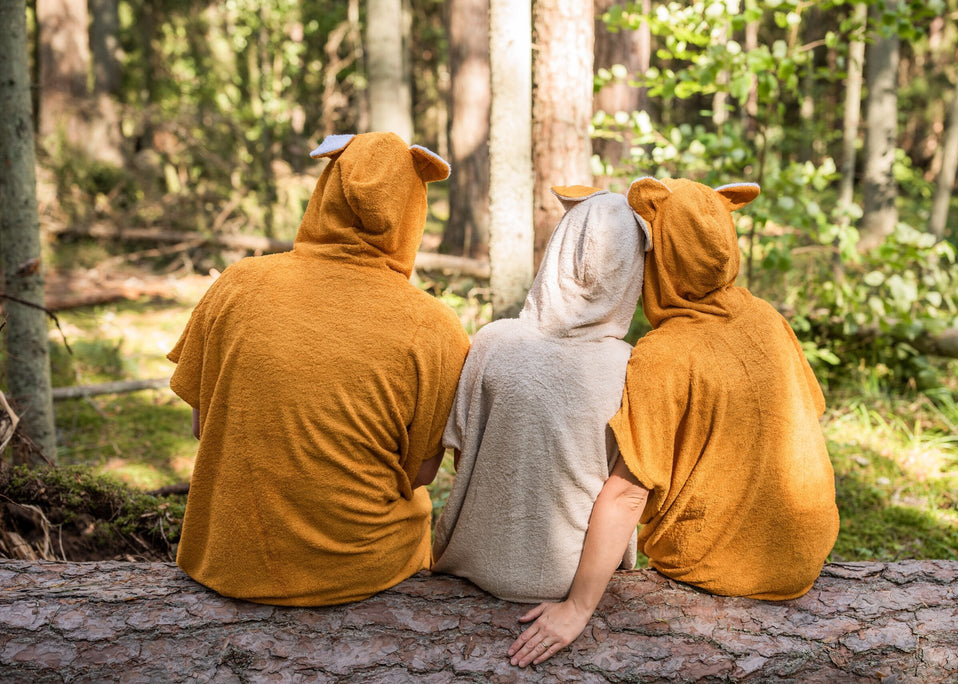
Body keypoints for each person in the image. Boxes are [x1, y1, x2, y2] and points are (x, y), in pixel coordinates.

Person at [508, 176, 840, 667]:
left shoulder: (663, 354)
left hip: (722, 566)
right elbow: (807, 413)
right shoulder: (767, 317)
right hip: (807, 554)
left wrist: (577, 608)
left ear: (661, 259)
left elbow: (629, 492)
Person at [166, 132, 469, 606]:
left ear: (325, 192)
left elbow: (204, 426)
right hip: (364, 572)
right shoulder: (435, 327)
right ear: (412, 213)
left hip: (228, 562)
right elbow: (421, 474)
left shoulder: (239, 283)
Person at [431, 186, 651, 638]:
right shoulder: (634, 367)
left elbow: (463, 460)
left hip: (472, 567)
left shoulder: (492, 342)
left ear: (556, 252)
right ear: (633, 272)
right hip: (574, 582)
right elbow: (630, 493)